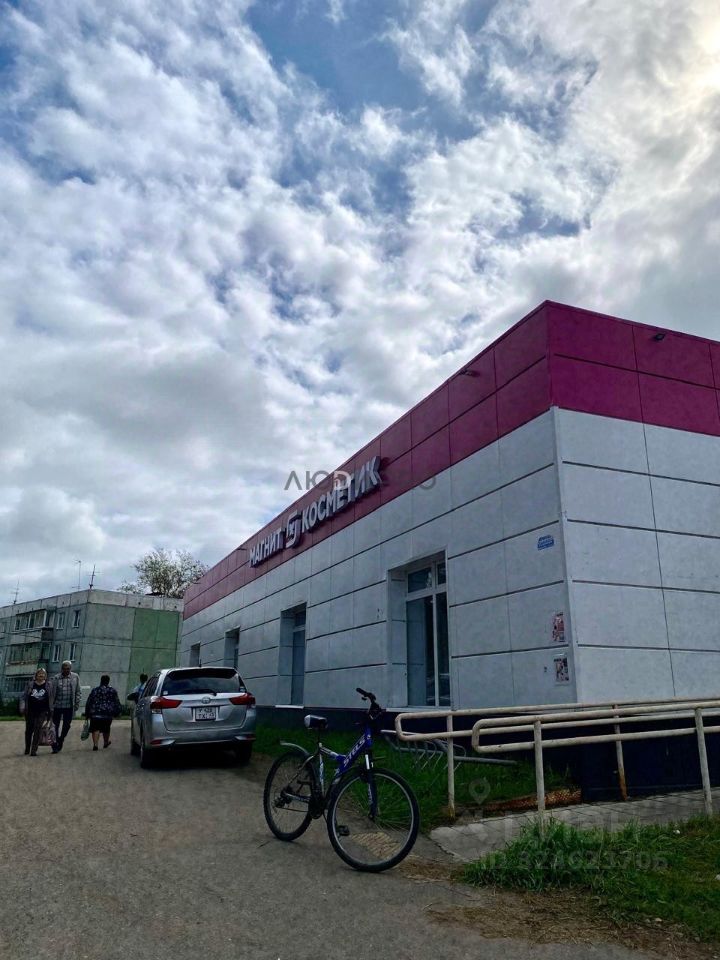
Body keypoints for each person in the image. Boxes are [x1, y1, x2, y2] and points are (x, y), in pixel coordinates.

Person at [50, 660, 81, 754]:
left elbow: (78, 691)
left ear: (70, 669)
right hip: (57, 706)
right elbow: (52, 693)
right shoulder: (56, 678)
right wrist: (51, 706)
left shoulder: (75, 677)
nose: (66, 670)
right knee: (55, 726)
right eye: (64, 668)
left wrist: (77, 703)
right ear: (61, 669)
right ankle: (55, 745)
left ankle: (61, 739)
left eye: (68, 668)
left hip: (69, 706)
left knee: (67, 725)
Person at [22, 668, 54, 756]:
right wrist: (23, 707)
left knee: (38, 730)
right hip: (30, 711)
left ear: (45, 676)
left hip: (42, 711)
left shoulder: (48, 685)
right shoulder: (30, 684)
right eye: (39, 673)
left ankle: (34, 750)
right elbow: (24, 696)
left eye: (43, 674)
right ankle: (27, 748)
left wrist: (51, 710)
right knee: (29, 731)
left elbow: (51, 697)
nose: (41, 675)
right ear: (36, 675)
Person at [84, 675, 121, 751]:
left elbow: (89, 701)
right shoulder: (112, 690)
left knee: (95, 728)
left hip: (95, 713)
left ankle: (95, 744)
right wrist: (118, 711)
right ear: (108, 681)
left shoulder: (95, 690)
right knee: (106, 728)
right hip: (107, 713)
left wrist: (87, 712)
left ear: (101, 681)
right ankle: (105, 742)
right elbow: (116, 702)